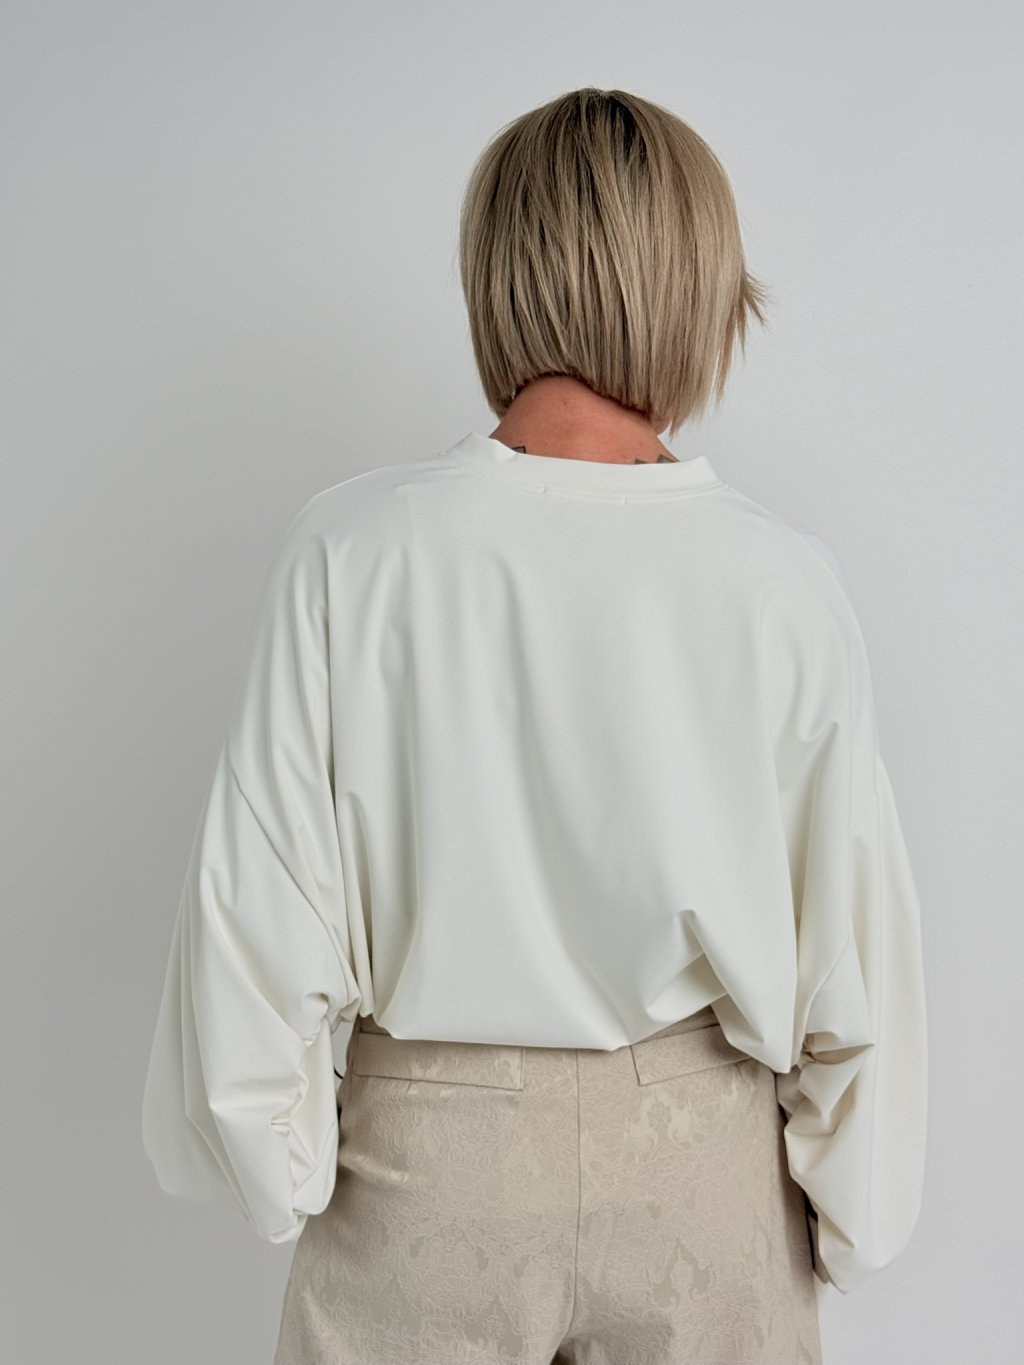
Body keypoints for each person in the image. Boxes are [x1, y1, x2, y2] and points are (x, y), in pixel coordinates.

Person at [142, 87, 928, 1364]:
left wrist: (275, 1158)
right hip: (699, 1172)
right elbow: (851, 946)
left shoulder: (355, 549)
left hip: (423, 1172)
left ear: (497, 276)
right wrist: (851, 1211)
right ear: (696, 289)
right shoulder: (781, 581)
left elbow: (260, 901)